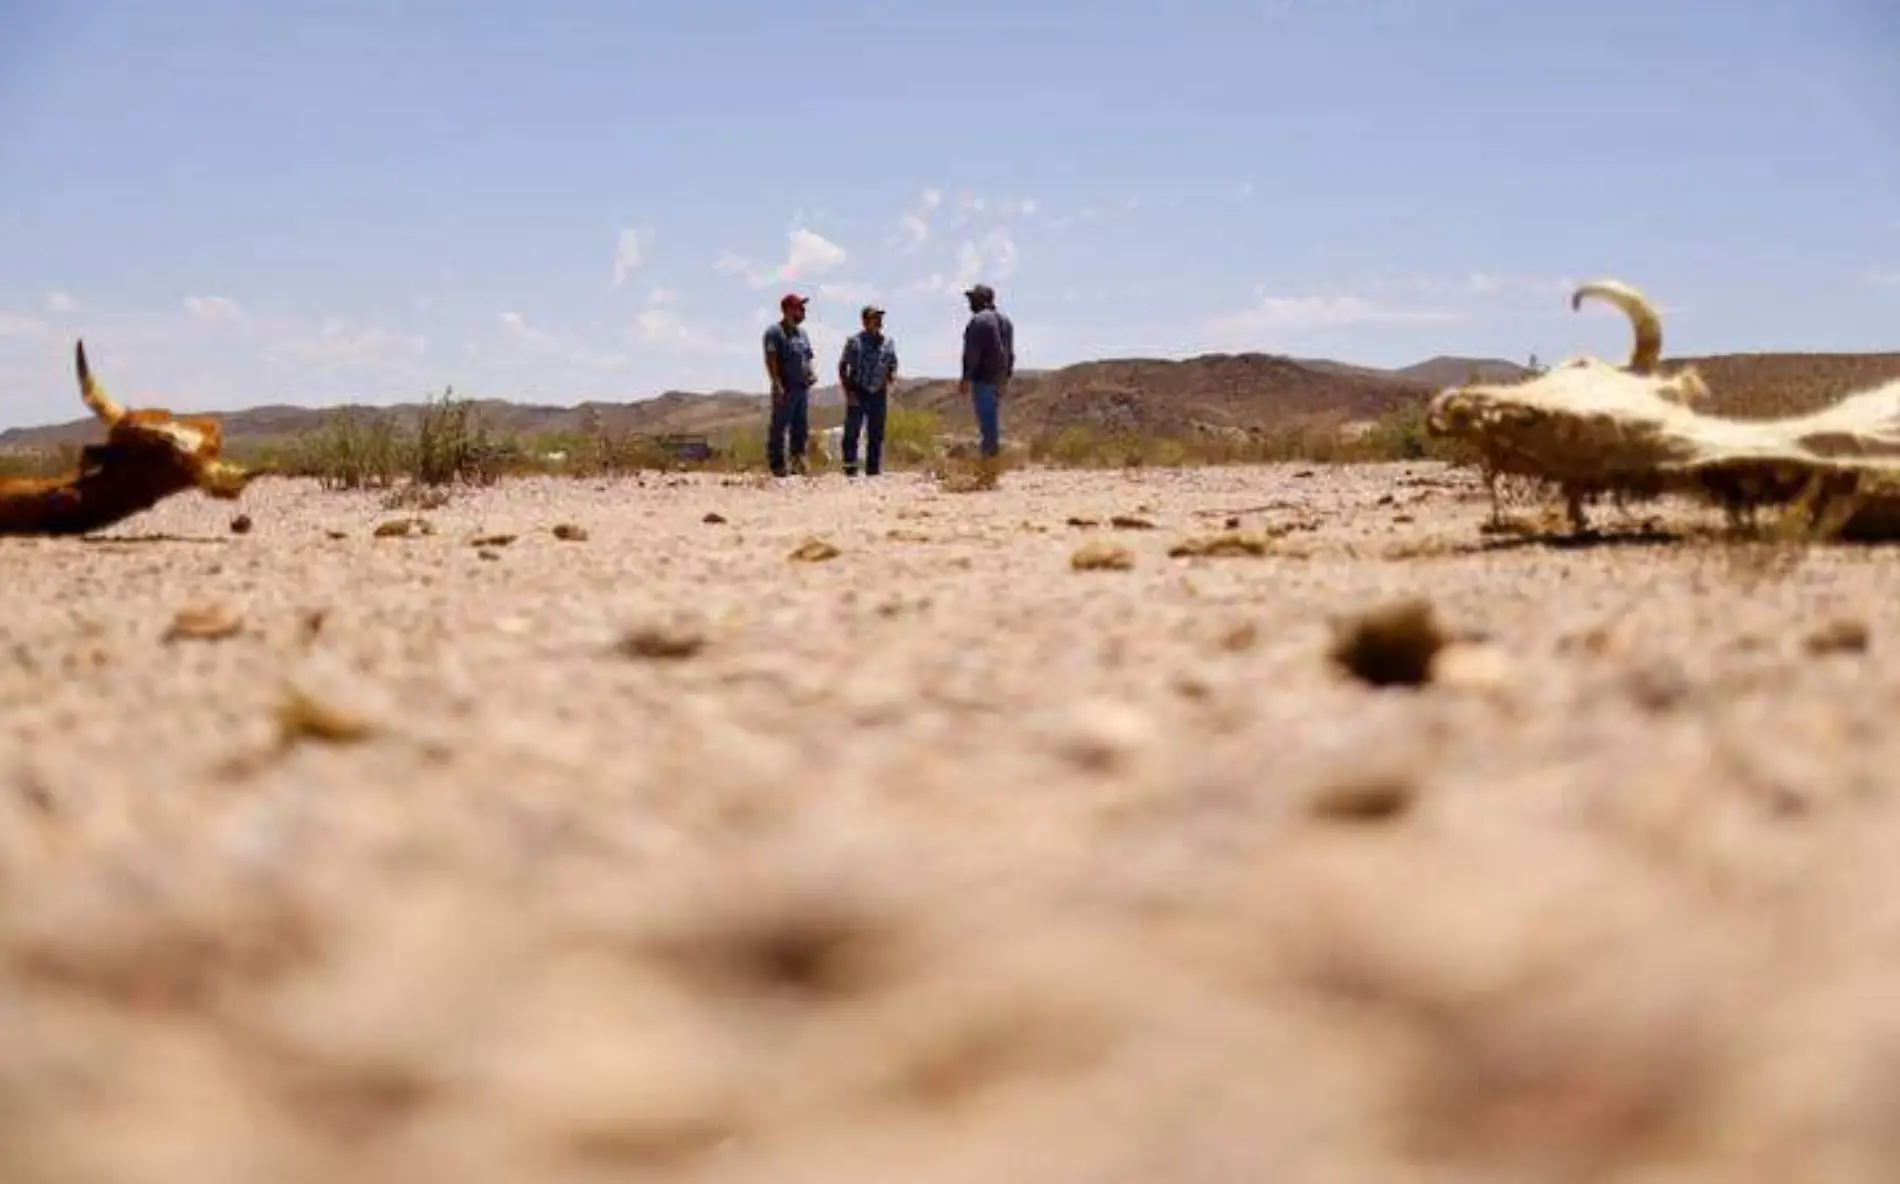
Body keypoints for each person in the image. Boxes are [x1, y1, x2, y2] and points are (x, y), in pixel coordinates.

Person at [836, 303, 899, 477]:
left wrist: (892, 375)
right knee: (852, 431)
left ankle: (873, 469)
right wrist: (848, 392)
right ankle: (850, 468)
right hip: (858, 390)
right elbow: (842, 366)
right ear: (865, 321)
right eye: (874, 318)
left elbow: (892, 363)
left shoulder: (888, 343)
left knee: (876, 432)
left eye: (880, 318)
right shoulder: (854, 342)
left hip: (879, 392)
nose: (879, 321)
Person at [762, 293, 816, 477]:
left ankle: (798, 462)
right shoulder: (774, 332)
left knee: (800, 427)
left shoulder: (803, 334)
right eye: (800, 308)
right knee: (779, 426)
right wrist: (776, 383)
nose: (803, 311)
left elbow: (807, 357)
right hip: (785, 387)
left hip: (802, 388)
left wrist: (810, 373)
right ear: (788, 310)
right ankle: (777, 465)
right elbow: (771, 359)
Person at [958, 282, 1014, 459]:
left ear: (980, 300)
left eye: (972, 299)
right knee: (992, 421)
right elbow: (1010, 354)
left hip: (983, 379)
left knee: (987, 423)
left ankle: (989, 463)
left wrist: (966, 377)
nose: (969, 304)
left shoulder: (978, 320)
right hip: (1000, 378)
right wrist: (1005, 378)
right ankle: (991, 460)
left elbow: (972, 352)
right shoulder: (1006, 321)